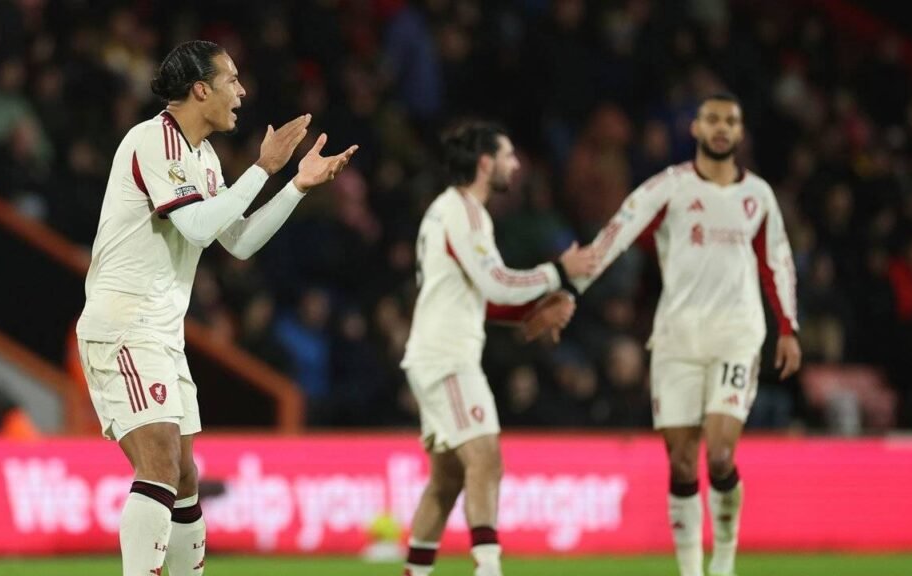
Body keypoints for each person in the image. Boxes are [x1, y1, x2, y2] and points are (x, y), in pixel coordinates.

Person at [75, 40, 356, 576]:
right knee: (160, 462)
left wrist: (295, 185)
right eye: (232, 80)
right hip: (125, 326)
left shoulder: (202, 158)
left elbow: (238, 241)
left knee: (184, 478)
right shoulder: (153, 140)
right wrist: (263, 168)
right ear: (201, 89)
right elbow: (199, 227)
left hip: (162, 334)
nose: (242, 92)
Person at [570, 92, 801, 576]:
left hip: (736, 334)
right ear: (694, 128)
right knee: (680, 462)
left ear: (740, 133)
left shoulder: (758, 196)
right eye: (711, 119)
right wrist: (570, 290)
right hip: (677, 338)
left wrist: (788, 327)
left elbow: (777, 261)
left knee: (720, 456)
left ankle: (724, 559)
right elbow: (616, 234)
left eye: (730, 121)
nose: (721, 128)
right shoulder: (668, 187)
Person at [399, 121, 596, 576]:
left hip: (435, 353)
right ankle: (489, 568)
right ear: (485, 163)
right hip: (447, 358)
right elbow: (497, 282)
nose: (516, 164)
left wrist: (529, 314)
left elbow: (474, 295)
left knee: (446, 481)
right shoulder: (464, 211)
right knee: (486, 456)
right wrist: (558, 271)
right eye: (508, 155)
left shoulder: (450, 211)